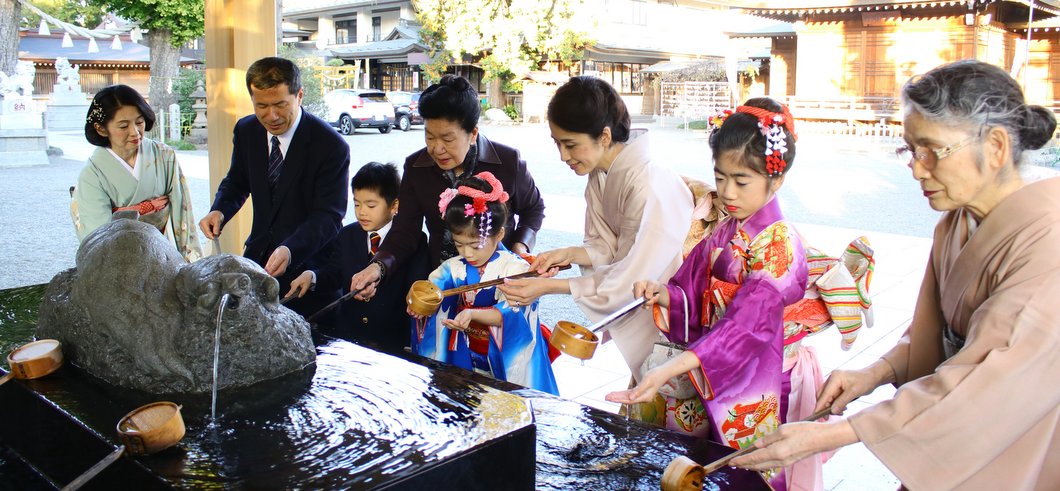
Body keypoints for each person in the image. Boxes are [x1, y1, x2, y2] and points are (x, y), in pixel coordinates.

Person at [731, 60, 1060, 490]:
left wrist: (836, 433)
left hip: (1011, 439)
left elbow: (987, 377)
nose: (917, 169)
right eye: (909, 150)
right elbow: (930, 335)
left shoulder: (1048, 242)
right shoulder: (955, 224)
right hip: (951, 416)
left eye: (930, 150)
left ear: (996, 147)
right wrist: (876, 373)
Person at [604, 98, 823, 491]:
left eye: (742, 181)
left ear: (777, 180)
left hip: (760, 374)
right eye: (720, 178)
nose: (727, 192)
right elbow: (694, 287)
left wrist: (668, 369)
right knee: (705, 469)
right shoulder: (727, 228)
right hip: (715, 363)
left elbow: (744, 329)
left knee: (745, 471)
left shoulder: (778, 246)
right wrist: (665, 295)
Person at [498, 76, 693, 380]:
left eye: (570, 144)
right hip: (648, 310)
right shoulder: (600, 175)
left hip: (674, 313)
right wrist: (570, 253)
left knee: (670, 406)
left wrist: (548, 287)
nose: (563, 156)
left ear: (603, 136)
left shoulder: (650, 184)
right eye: (558, 144)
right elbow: (608, 248)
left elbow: (632, 277)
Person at [349, 75, 545, 301]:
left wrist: (520, 247)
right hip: (444, 281)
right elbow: (405, 231)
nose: (436, 148)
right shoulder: (416, 167)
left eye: (447, 139)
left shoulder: (507, 162)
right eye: (429, 137)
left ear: (473, 133)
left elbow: (534, 208)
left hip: (500, 283)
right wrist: (378, 267)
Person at [198, 57, 350, 317]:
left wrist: (290, 249)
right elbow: (237, 181)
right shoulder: (247, 131)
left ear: (299, 95)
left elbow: (329, 216)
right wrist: (219, 210)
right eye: (262, 106)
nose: (272, 116)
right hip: (258, 262)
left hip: (308, 269)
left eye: (280, 105)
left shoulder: (330, 145)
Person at [409, 172, 559, 395]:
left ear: (499, 234)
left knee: (510, 406)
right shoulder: (454, 266)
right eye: (459, 245)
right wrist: (420, 304)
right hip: (466, 352)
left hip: (502, 353)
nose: (467, 253)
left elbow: (510, 314)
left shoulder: (515, 269)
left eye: (475, 245)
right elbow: (434, 289)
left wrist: (472, 315)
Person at [286, 162, 428, 353]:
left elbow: (416, 286)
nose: (361, 212)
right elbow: (334, 273)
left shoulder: (413, 241)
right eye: (356, 204)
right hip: (348, 337)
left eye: (371, 205)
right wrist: (312, 277)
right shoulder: (347, 235)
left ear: (394, 205)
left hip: (391, 342)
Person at [71, 84, 202, 262]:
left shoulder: (164, 155)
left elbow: (182, 211)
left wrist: (188, 260)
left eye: (139, 122)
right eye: (123, 126)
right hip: (121, 259)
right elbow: (99, 237)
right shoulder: (93, 174)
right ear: (101, 129)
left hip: (165, 252)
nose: (135, 132)